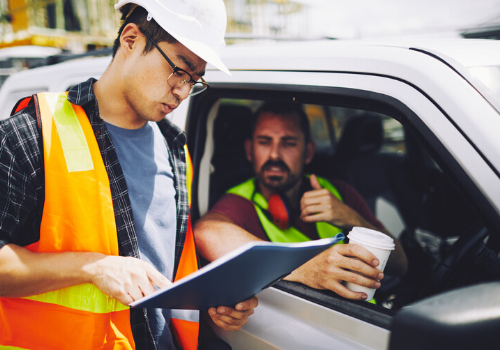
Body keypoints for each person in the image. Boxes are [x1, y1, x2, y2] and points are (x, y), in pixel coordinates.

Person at [0, 1, 257, 349]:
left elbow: (166, 268)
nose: (182, 90)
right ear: (131, 39)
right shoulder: (31, 133)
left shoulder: (175, 149)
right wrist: (92, 267)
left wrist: (211, 303)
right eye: (179, 69)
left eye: (194, 80)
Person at [195, 102, 408, 301]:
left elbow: (400, 265)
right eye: (264, 142)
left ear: (308, 152)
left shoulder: (338, 192)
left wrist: (348, 218)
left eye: (288, 143)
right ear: (249, 150)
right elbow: (206, 233)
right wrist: (304, 268)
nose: (275, 154)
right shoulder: (241, 201)